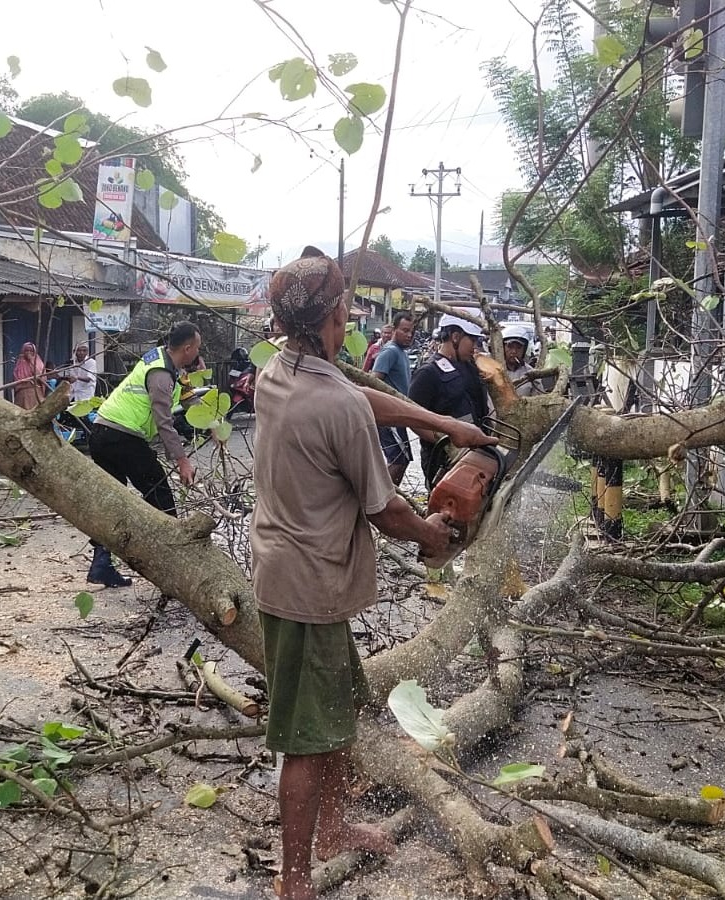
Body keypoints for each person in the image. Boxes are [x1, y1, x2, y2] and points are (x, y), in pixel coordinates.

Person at [252, 249, 456, 900]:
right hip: (309, 589)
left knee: (335, 714)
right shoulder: (335, 404)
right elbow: (387, 510)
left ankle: (334, 830)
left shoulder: (274, 374)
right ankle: (294, 880)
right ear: (341, 312)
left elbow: (355, 396)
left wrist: (439, 422)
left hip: (296, 575)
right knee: (307, 741)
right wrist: (435, 538)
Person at [85, 321, 202, 587]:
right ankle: (173, 565)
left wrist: (214, 425)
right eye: (197, 348)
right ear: (187, 348)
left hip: (102, 432)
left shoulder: (165, 360)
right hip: (121, 436)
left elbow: (187, 396)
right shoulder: (161, 374)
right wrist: (183, 461)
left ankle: (101, 563)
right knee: (160, 495)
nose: (198, 353)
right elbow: (164, 422)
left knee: (112, 502)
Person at [408, 312, 490, 487]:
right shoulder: (428, 373)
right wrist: (447, 444)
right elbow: (414, 420)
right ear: (455, 336)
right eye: (472, 341)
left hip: (477, 455)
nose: (475, 347)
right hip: (443, 461)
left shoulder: (471, 367)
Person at [370, 311, 416, 484]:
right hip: (389, 417)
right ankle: (384, 500)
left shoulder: (402, 352)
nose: (409, 335)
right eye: (405, 330)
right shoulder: (389, 352)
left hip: (399, 416)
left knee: (402, 460)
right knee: (398, 460)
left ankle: (390, 497)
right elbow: (374, 381)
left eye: (411, 331)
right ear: (395, 329)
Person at [501, 321, 541, 397]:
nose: (514, 351)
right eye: (510, 346)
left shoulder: (531, 373)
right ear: (503, 347)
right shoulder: (492, 371)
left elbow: (538, 400)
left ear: (524, 349)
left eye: (518, 347)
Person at [9, 342, 47, 408]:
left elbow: (41, 377)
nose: (29, 352)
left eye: (31, 351)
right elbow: (16, 377)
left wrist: (31, 361)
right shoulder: (20, 362)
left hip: (35, 393)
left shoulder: (38, 361)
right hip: (22, 394)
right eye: (26, 350)